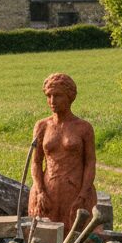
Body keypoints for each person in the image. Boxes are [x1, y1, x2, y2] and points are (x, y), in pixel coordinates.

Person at [28, 73, 97, 233]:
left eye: (58, 96)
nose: (52, 101)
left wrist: (83, 195)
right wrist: (39, 191)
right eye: (49, 96)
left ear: (70, 96)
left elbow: (90, 163)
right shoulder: (42, 126)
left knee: (76, 238)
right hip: (47, 193)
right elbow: (36, 162)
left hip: (75, 192)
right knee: (44, 239)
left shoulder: (83, 128)